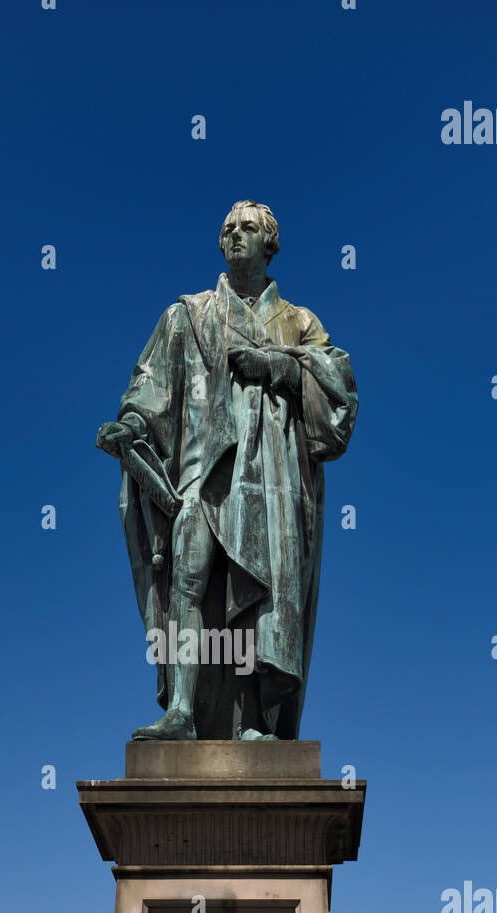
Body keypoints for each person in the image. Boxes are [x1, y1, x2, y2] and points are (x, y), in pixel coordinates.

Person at [97, 200, 358, 741]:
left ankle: (256, 724)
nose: (235, 236)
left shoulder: (299, 322)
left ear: (271, 244)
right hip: (203, 469)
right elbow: (150, 389)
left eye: (248, 229)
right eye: (227, 230)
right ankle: (182, 712)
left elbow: (338, 404)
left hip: (272, 483)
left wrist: (281, 365)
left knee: (265, 592)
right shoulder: (187, 315)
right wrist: (130, 425)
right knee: (185, 585)